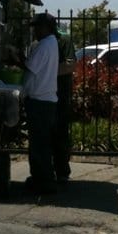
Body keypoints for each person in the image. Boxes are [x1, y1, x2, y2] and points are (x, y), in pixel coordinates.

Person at [22, 12, 58, 195]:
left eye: (37, 27)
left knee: (39, 144)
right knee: (42, 143)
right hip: (47, 99)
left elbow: (30, 72)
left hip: (39, 100)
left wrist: (22, 92)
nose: (35, 31)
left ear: (45, 28)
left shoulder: (43, 46)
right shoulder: (51, 43)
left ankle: (43, 182)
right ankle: (41, 178)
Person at [52, 26, 75, 185]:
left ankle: (61, 171)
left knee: (60, 132)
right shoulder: (37, 42)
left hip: (60, 93)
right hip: (44, 92)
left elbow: (70, 65)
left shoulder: (64, 40)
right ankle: (47, 171)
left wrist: (47, 71)